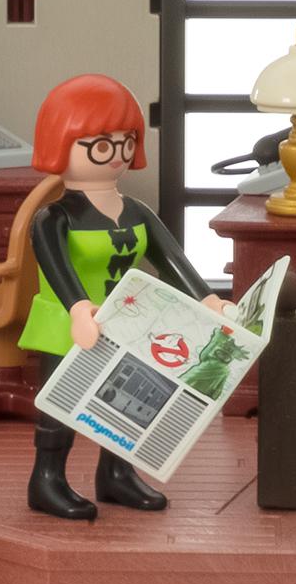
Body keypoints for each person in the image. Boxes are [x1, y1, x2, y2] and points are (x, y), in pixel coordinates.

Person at [13, 74, 183, 527]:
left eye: (126, 142)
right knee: (60, 404)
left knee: (125, 401)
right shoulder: (53, 218)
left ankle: (116, 473)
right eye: (103, 145)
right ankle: (46, 479)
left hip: (125, 321)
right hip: (68, 324)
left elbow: (172, 261)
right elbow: (57, 269)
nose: (118, 155)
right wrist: (77, 309)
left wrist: (208, 300)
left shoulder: (137, 212)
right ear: (62, 141)